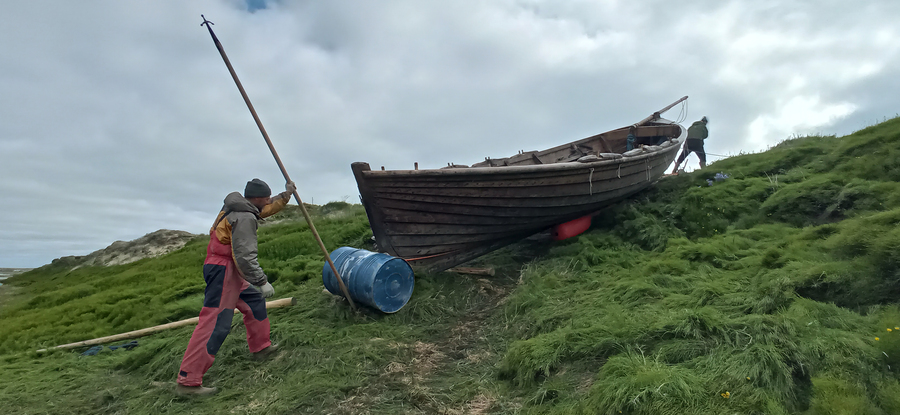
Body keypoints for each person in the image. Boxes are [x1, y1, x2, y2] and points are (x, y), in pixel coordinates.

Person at [175, 178, 296, 396]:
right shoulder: (244, 217)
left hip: (228, 268)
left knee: (254, 302)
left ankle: (261, 348)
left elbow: (266, 209)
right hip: (224, 271)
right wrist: (261, 281)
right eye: (266, 197)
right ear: (256, 198)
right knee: (215, 323)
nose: (268, 201)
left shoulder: (239, 205)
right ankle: (188, 381)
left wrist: (286, 195)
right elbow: (244, 255)